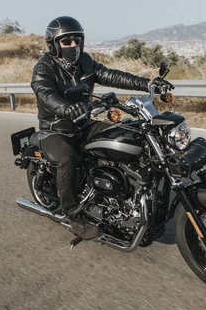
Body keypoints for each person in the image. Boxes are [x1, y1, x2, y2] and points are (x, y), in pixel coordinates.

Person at [31, 16, 172, 239]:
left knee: (129, 136)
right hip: (56, 129)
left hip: (84, 124)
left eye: (77, 40)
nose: (73, 45)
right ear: (54, 44)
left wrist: (147, 83)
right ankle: (73, 215)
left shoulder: (85, 61)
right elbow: (45, 95)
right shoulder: (44, 67)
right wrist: (68, 109)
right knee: (67, 156)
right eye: (66, 41)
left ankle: (129, 196)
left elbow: (111, 75)